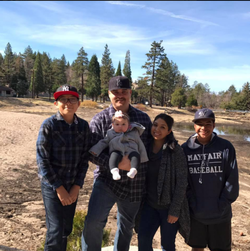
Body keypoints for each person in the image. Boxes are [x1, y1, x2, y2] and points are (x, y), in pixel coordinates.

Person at [81, 76, 152, 251]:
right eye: (115, 92)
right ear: (109, 94)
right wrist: (117, 164)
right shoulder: (100, 120)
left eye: (124, 92)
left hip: (135, 183)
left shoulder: (143, 119)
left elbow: (151, 148)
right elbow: (92, 151)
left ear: (130, 93)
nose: (120, 95)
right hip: (106, 180)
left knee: (126, 227)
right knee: (93, 223)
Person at [36, 85, 91, 251]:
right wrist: (59, 189)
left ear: (78, 103)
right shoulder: (49, 126)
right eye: (63, 99)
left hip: (72, 184)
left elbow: (84, 159)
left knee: (66, 229)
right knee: (55, 230)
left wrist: (76, 187)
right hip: (52, 186)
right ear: (56, 103)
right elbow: (42, 162)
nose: (68, 103)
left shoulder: (83, 126)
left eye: (72, 99)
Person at [181, 108, 239, 251]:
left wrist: (222, 204)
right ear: (194, 126)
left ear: (214, 125)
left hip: (221, 215)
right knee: (197, 248)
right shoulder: (185, 149)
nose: (203, 127)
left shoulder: (226, 147)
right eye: (199, 123)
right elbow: (183, 181)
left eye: (208, 123)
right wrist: (192, 204)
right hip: (195, 214)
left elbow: (232, 180)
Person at [138, 113, 190, 251]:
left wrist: (174, 210)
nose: (157, 129)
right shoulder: (145, 147)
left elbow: (182, 182)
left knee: (167, 245)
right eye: (155, 125)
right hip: (149, 205)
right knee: (143, 240)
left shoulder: (175, 150)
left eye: (162, 127)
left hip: (168, 208)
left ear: (169, 131)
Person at [89, 110, 148, 180]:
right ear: (113, 125)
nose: (120, 127)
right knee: (114, 156)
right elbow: (103, 142)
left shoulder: (134, 133)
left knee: (136, 156)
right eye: (117, 124)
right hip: (117, 150)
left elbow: (140, 144)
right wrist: (95, 150)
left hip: (131, 151)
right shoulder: (110, 133)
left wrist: (143, 157)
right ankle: (114, 171)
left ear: (128, 125)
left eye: (123, 124)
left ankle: (133, 170)